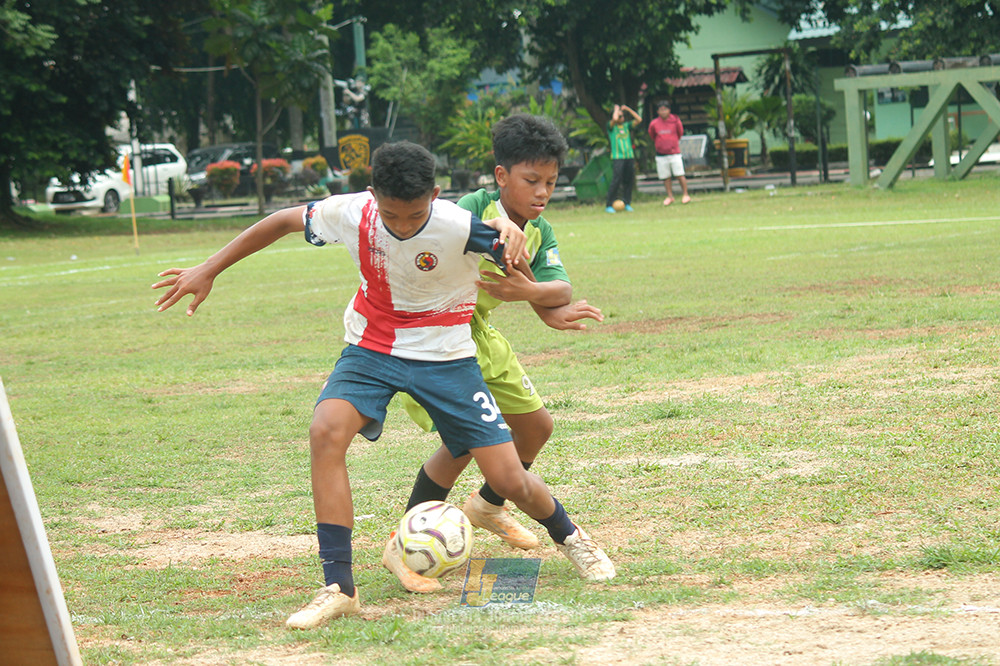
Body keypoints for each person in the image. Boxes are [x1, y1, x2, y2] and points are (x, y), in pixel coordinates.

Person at [152, 141, 614, 630]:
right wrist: (209, 268)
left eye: (416, 214)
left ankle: (572, 537)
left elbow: (524, 275)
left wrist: (549, 305)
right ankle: (339, 587)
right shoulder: (353, 212)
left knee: (507, 478)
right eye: (391, 214)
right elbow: (282, 220)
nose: (403, 225)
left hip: (446, 357)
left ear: (435, 196)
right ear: (373, 195)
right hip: (371, 349)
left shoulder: (458, 225)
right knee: (325, 431)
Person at [385, 115, 607, 594]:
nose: (542, 191)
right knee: (467, 444)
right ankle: (408, 541)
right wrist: (510, 242)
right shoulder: (474, 204)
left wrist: (531, 295)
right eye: (531, 180)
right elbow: (472, 222)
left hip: (480, 335)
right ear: (502, 176)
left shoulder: (542, 229)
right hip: (437, 338)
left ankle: (486, 506)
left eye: (550, 181)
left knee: (536, 427)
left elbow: (559, 288)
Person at [647, 100, 691, 206]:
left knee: (680, 174)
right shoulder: (654, 123)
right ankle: (670, 196)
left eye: (665, 109)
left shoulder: (675, 121)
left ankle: (685, 194)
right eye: (661, 110)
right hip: (661, 155)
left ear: (669, 110)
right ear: (657, 111)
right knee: (665, 176)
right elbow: (652, 135)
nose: (663, 112)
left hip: (674, 153)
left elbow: (680, 133)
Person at [605, 103, 642, 214]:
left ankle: (627, 202)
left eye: (623, 116)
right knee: (616, 180)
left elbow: (639, 119)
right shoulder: (611, 127)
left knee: (629, 180)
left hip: (629, 156)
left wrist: (628, 109)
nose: (622, 118)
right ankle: (609, 204)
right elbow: (615, 118)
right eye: (620, 116)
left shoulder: (626, 126)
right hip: (618, 157)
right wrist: (616, 110)